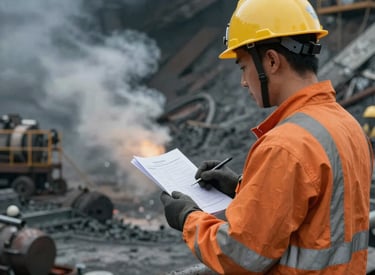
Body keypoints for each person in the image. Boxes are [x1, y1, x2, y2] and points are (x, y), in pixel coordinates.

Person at [160, 0, 373, 274]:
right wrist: (241, 187)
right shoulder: (346, 125)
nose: (244, 82)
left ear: (271, 61)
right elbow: (318, 212)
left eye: (242, 67)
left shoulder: (286, 146)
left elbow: (239, 256)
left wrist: (188, 217)